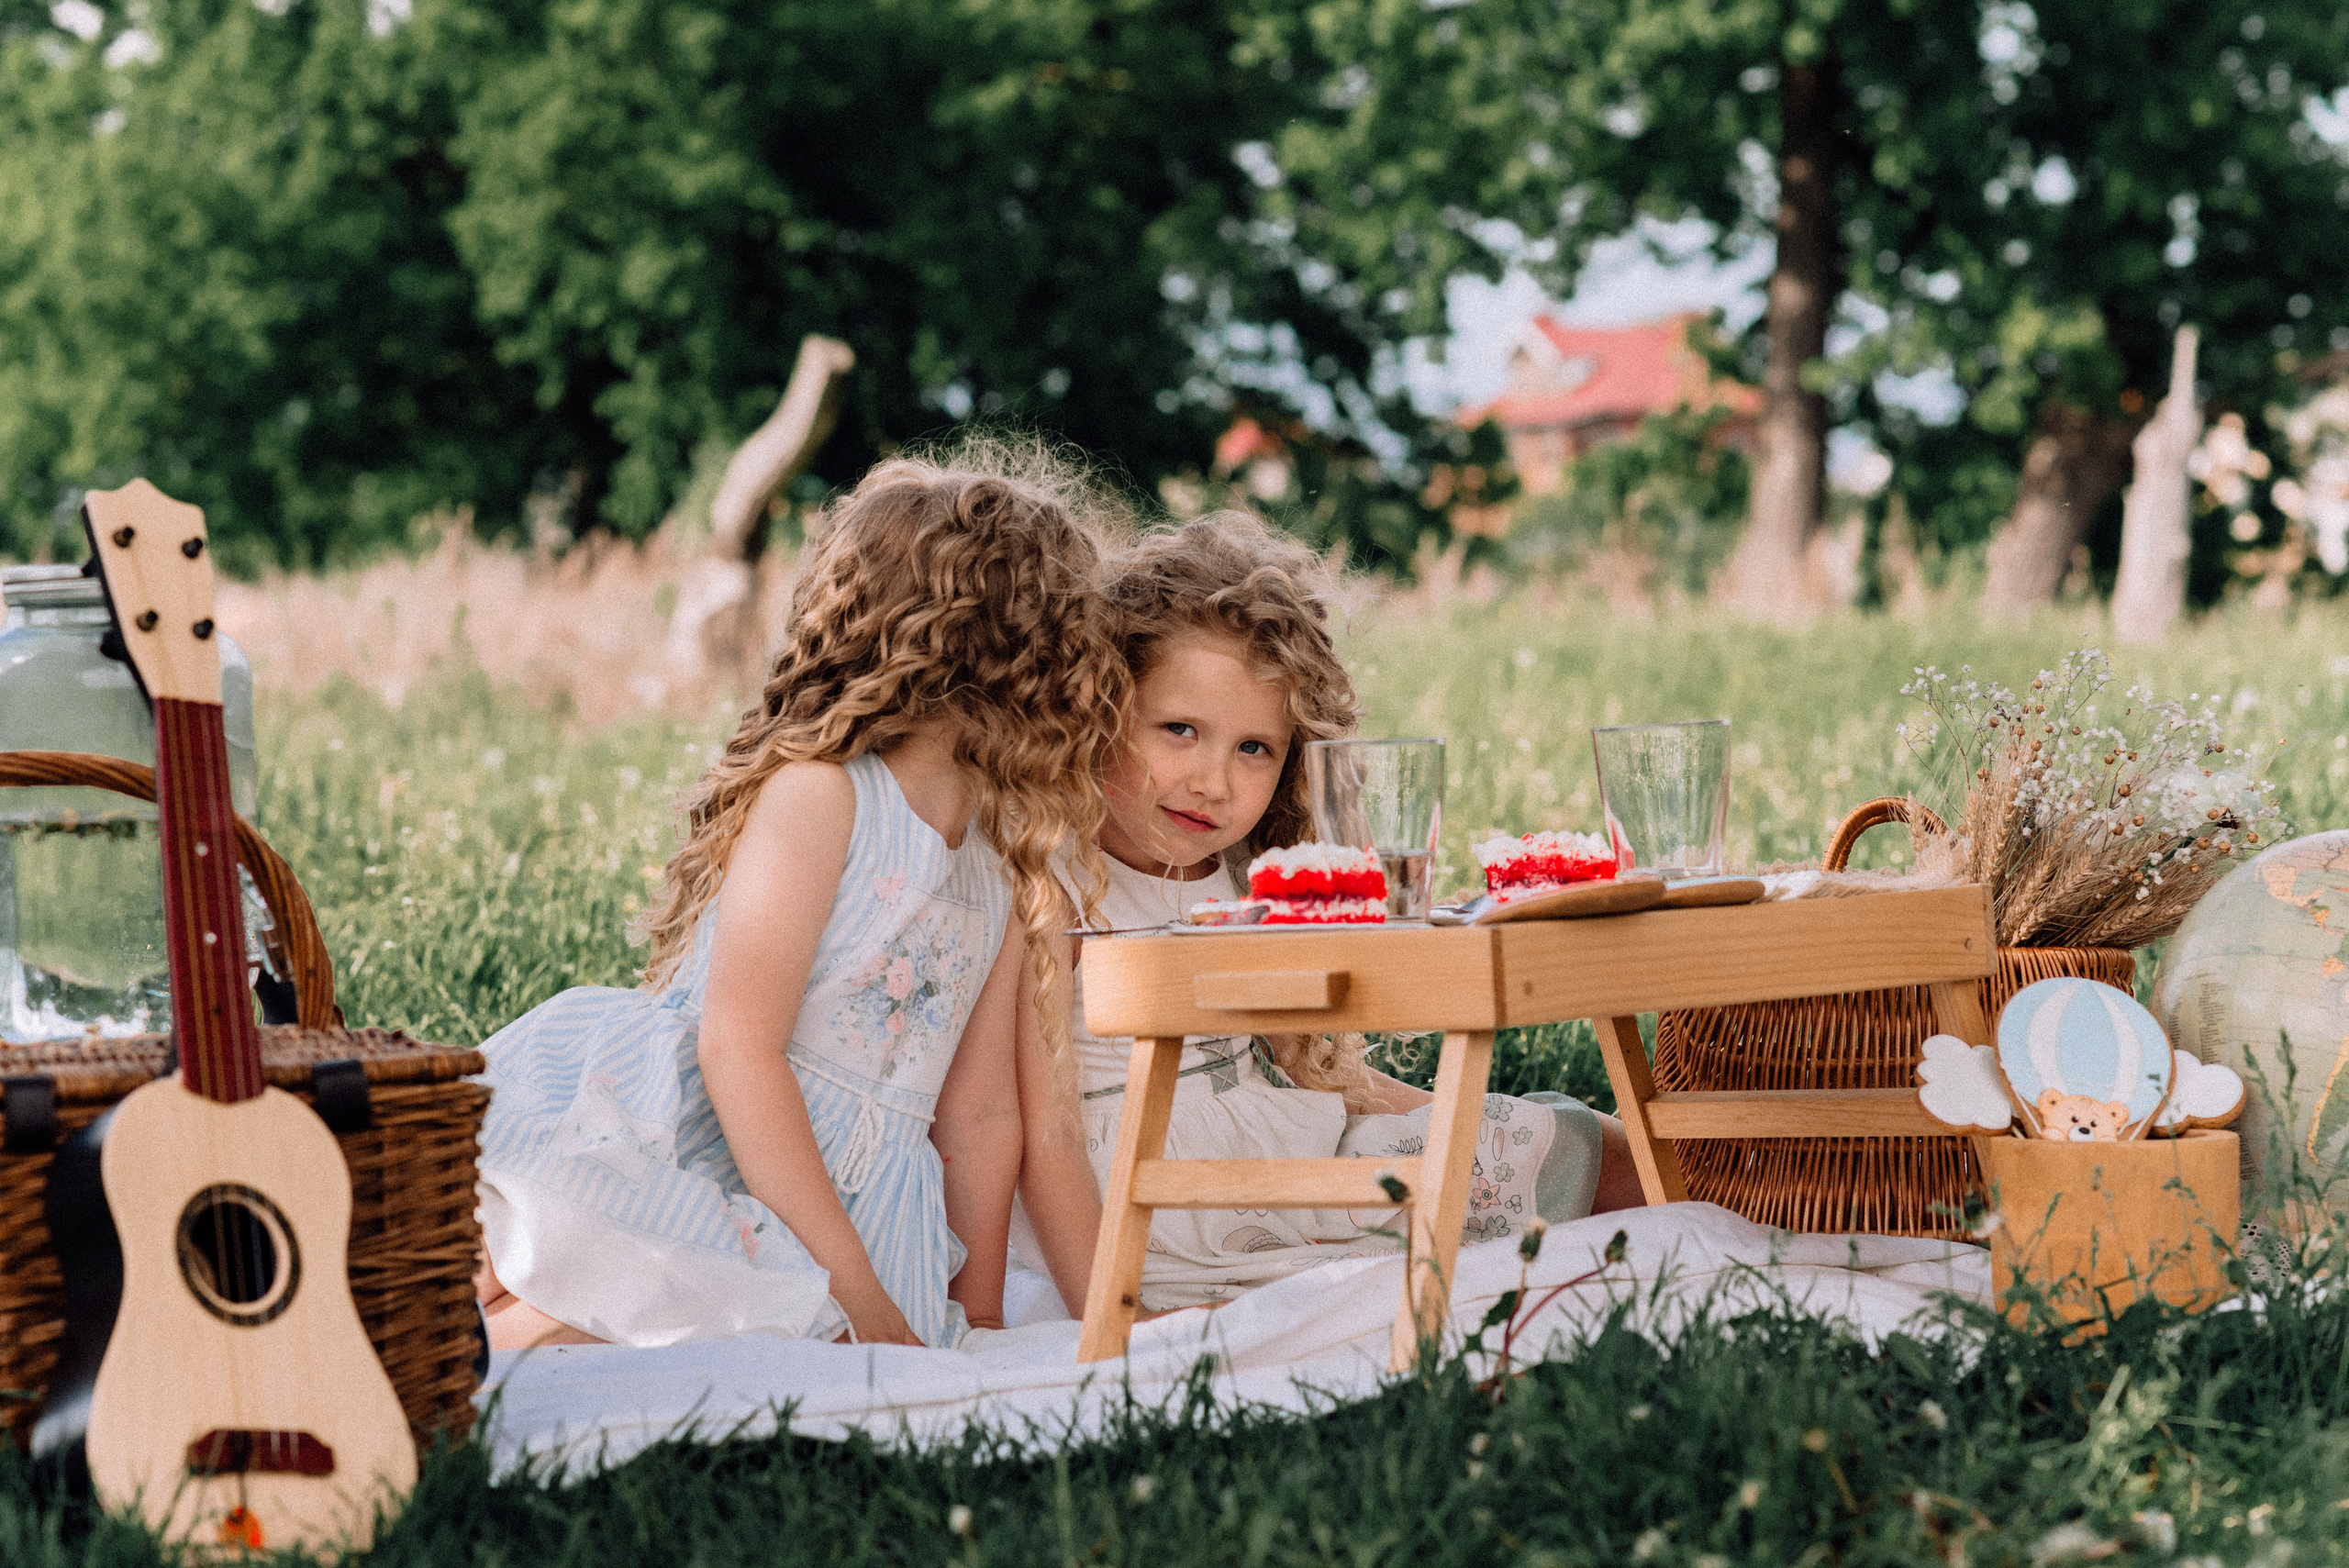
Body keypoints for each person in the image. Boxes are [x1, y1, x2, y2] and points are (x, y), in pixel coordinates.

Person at [473, 448, 1130, 1351]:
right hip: (709, 1146)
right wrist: (856, 1294)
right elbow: (737, 1046)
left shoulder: (1004, 860)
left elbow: (978, 1115)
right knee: (584, 1287)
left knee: (725, 1329)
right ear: (998, 652)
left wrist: (970, 1322)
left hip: (865, 1202)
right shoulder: (823, 797)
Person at [1025, 513, 1643, 1313]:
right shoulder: (1058, 885)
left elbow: (1312, 1073)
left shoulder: (1247, 880)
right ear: (1100, 711)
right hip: (1164, 1201)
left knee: (1578, 1137)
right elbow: (1042, 1136)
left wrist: (1485, 1118)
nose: (1214, 780)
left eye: (1255, 748)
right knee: (1562, 1156)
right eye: (1179, 730)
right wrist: (1109, 1310)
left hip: (1279, 1153)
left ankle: (1775, 1212)